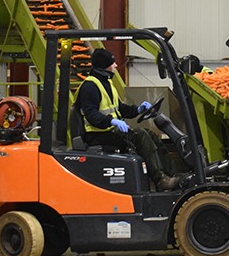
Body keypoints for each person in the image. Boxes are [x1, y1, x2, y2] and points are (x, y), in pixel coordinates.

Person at [75, 48, 181, 191]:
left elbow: (120, 108)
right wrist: (112, 121)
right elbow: (91, 114)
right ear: (104, 65)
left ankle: (172, 174)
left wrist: (138, 109)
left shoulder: (106, 83)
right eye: (112, 63)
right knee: (140, 135)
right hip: (97, 135)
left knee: (150, 134)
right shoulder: (90, 86)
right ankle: (159, 180)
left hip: (110, 131)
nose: (116, 66)